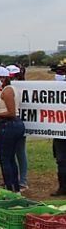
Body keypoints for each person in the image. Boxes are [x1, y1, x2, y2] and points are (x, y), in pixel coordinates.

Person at [50, 64, 66, 196]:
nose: (59, 75)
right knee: (61, 161)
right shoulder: (53, 90)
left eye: (62, 73)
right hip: (59, 132)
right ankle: (63, 187)